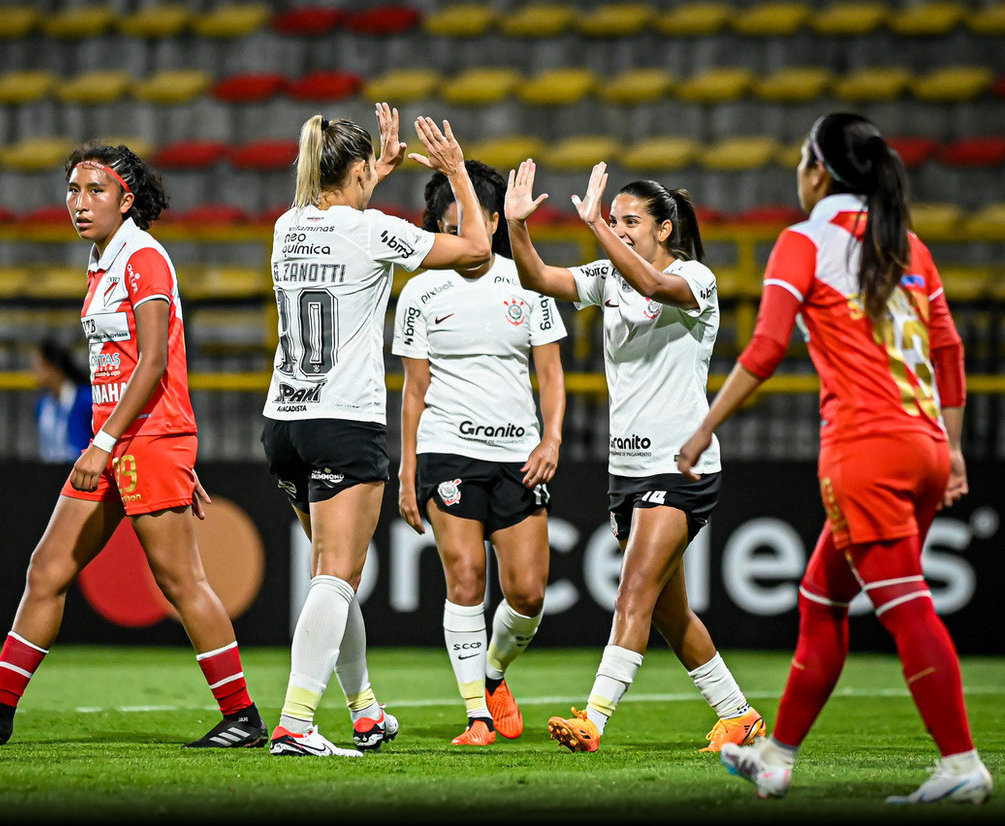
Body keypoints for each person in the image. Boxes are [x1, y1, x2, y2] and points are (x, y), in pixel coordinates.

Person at [678, 113, 993, 805]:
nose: (797, 171)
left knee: (906, 606)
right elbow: (949, 350)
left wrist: (702, 430)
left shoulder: (804, 241)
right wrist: (958, 447)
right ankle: (776, 758)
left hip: (866, 449)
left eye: (799, 158)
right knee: (821, 600)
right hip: (926, 447)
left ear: (818, 171)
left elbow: (763, 351)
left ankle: (961, 762)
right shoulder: (906, 245)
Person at [0, 142, 267, 749]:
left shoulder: (143, 258)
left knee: (180, 581)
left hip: (138, 440)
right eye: (72, 190)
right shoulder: (103, 261)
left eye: (95, 190)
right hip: (121, 441)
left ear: (128, 199)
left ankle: (243, 716)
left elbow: (150, 365)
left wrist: (122, 444)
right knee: (47, 568)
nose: (79, 203)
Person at [503, 158, 766, 755]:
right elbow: (541, 279)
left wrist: (594, 225)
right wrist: (518, 229)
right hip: (626, 472)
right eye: (614, 220)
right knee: (668, 612)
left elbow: (651, 286)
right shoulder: (609, 277)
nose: (619, 229)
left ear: (663, 228)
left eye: (630, 220)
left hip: (680, 468)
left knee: (632, 591)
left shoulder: (696, 280)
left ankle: (594, 717)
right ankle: (738, 715)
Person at [263, 103, 491, 757]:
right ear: (360, 168)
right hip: (343, 420)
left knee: (330, 578)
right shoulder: (374, 232)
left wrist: (373, 175)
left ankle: (364, 711)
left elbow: (339, 219)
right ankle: (297, 724)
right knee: (338, 575)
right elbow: (476, 250)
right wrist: (456, 173)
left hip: (285, 423)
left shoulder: (286, 227)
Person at [393, 160, 566, 746]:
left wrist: (552, 438)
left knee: (529, 593)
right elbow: (414, 390)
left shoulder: (529, 282)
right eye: (450, 220)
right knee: (465, 577)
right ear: (441, 226)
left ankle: (492, 674)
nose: (464, 227)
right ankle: (478, 717)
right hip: (448, 451)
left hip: (519, 455)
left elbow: (551, 374)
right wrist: (408, 465)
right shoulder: (419, 291)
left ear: (494, 222)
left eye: (475, 216)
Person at [32, 337, 95, 462]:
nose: (33, 371)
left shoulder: (85, 399)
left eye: (38, 365)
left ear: (53, 368)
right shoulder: (42, 406)